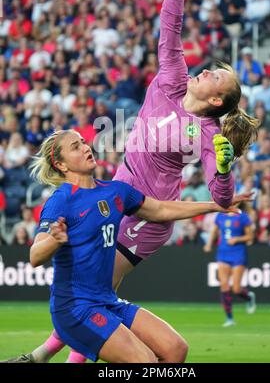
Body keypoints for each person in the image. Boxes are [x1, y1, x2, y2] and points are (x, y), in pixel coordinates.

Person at [4, 0, 258, 363]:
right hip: (119, 192)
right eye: (213, 68)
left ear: (217, 100)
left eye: (218, 76)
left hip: (147, 214)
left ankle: (46, 357)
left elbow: (222, 195)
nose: (209, 70)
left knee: (98, 295)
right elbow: (170, 28)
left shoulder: (211, 136)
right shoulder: (171, 82)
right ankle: (44, 355)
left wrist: (226, 166)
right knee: (95, 293)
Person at [3, 129, 244, 364]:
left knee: (176, 349)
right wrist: (54, 240)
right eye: (76, 147)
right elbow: (35, 256)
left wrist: (215, 205)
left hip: (106, 301)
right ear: (62, 165)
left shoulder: (115, 191)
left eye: (84, 142)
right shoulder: (61, 200)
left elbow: (161, 209)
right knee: (144, 361)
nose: (86, 148)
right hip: (75, 307)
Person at [204, 203, 256, 327]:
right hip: (223, 253)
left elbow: (250, 236)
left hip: (238, 253)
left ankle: (249, 297)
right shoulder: (220, 216)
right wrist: (209, 244)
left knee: (236, 289)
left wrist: (237, 239)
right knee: (224, 285)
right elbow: (214, 231)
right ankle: (229, 319)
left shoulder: (243, 217)